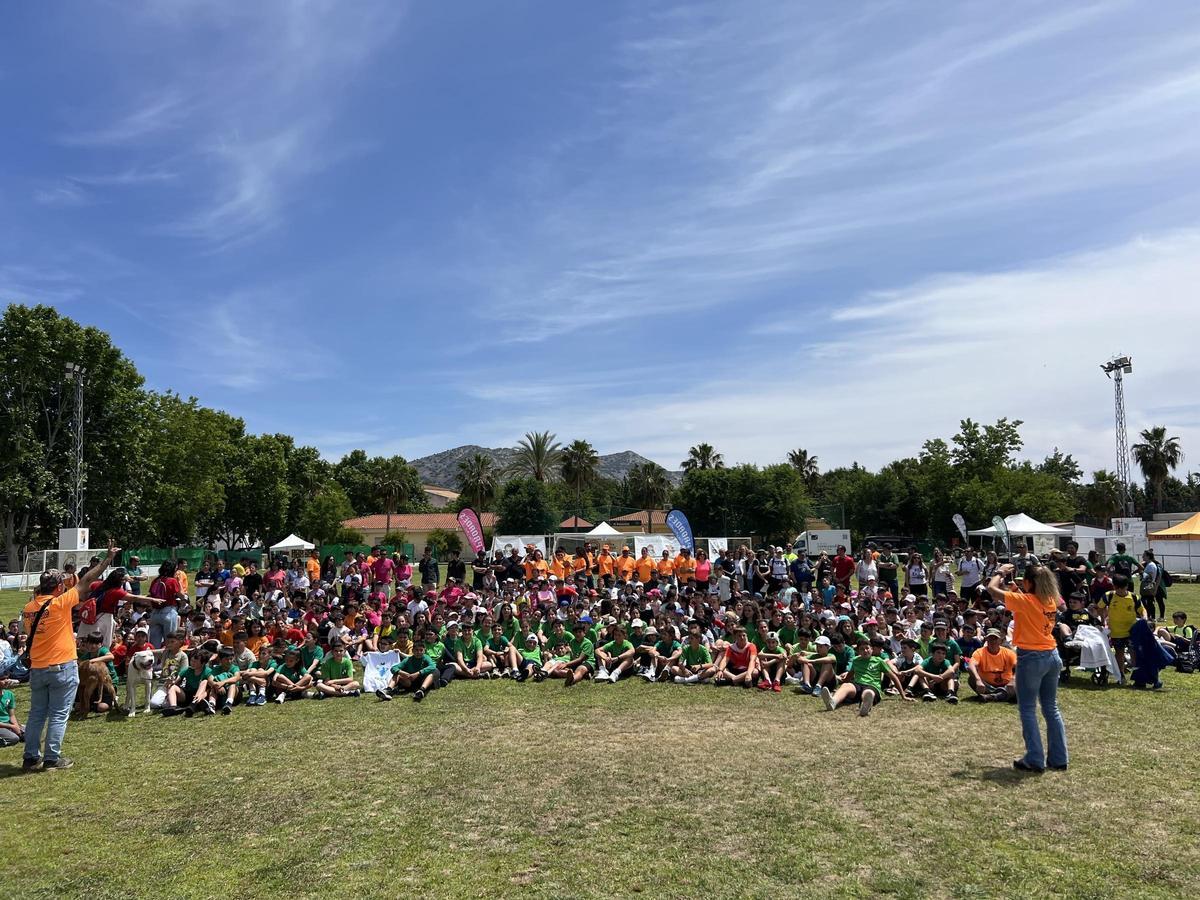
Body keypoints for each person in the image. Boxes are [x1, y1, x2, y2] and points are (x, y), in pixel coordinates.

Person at [21, 541, 117, 772]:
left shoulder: (28, 608)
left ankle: (30, 757)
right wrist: (106, 560)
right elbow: (86, 581)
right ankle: (52, 759)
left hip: (38, 668)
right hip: (61, 666)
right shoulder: (60, 603)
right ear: (57, 588)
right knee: (58, 714)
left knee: (36, 714)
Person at [987, 562, 1068, 773]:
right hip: (1052, 655)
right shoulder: (1050, 599)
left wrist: (999, 573)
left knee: (1028, 709)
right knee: (1051, 708)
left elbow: (992, 590)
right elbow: (1032, 605)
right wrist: (1016, 589)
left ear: (1029, 582)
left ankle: (1034, 758)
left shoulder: (1026, 601)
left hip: (1031, 658)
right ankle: (1059, 758)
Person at [966, 629, 1017, 702]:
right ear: (986, 639)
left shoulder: (1008, 653)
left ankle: (992, 696)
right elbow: (971, 665)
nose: (992, 641)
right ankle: (1002, 695)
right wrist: (978, 680)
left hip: (1007, 685)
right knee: (971, 679)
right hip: (988, 686)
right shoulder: (979, 652)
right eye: (990, 639)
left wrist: (1013, 680)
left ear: (1000, 640)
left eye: (995, 639)